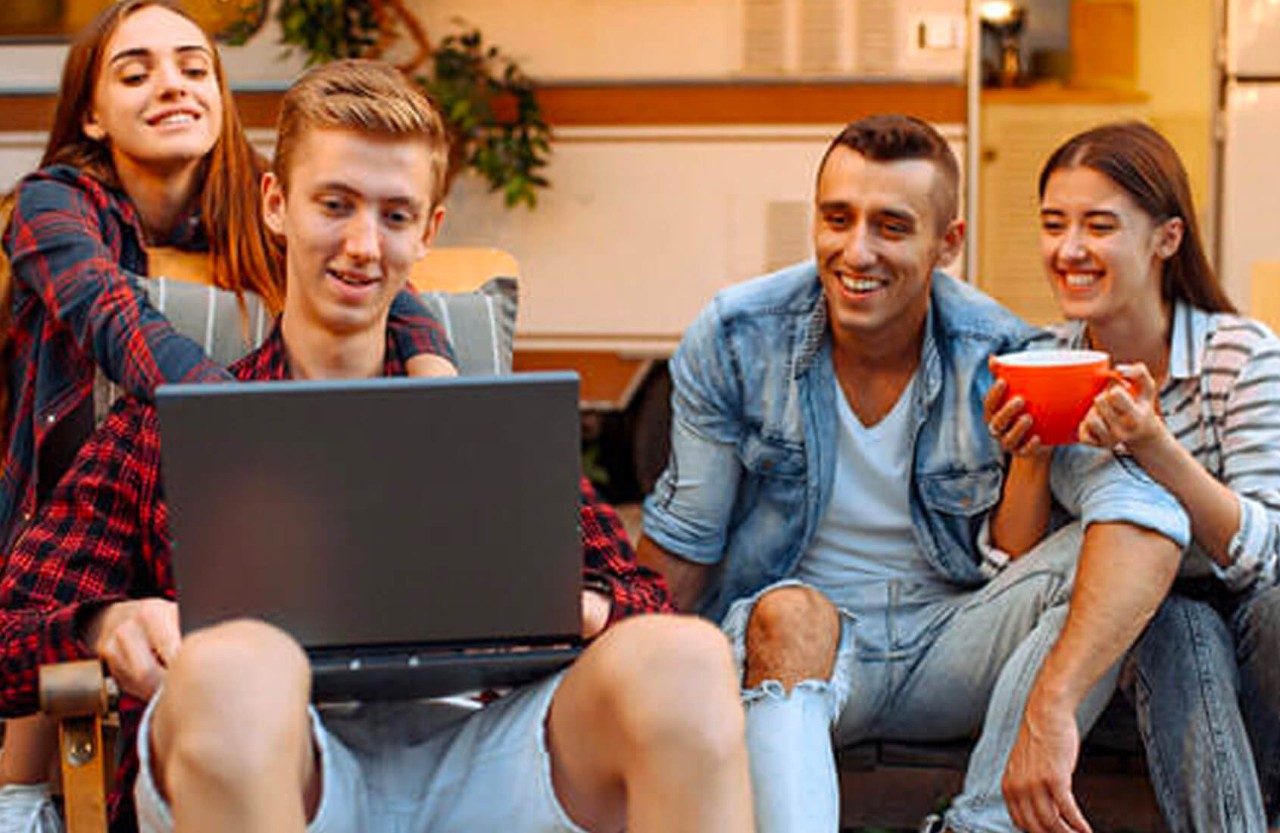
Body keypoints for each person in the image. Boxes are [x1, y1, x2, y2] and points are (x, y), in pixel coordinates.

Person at [0, 58, 753, 833]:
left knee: (685, 657)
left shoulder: (485, 432)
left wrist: (591, 608)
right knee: (235, 665)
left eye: (395, 216)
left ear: (427, 231)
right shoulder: (167, 426)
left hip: (483, 756)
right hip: (276, 760)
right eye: (335, 204)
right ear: (276, 204)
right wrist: (104, 623)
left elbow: (643, 598)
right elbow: (10, 631)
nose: (363, 244)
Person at [636, 113, 1191, 833]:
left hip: (953, 645)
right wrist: (611, 682)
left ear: (947, 243)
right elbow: (682, 549)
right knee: (791, 611)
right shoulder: (741, 333)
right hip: (801, 657)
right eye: (838, 218)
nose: (856, 250)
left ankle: (980, 824)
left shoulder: (1001, 354)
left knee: (1107, 545)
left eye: (892, 226)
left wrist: (1050, 707)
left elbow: (1152, 519)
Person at [0, 3, 454, 827]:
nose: (170, 84)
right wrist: (269, 437)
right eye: (135, 73)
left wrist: (434, 382)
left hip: (234, 521)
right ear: (92, 113)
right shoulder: (52, 203)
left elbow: (381, 276)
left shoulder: (252, 205)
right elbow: (122, 328)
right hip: (63, 498)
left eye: (193, 67)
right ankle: (23, 798)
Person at [986, 120, 1280, 832]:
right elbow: (1013, 571)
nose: (1070, 249)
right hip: (1110, 659)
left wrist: (1155, 445)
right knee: (1172, 618)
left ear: (1167, 238)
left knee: (1222, 611)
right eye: (1054, 225)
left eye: (1099, 225)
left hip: (1254, 651)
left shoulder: (1238, 354)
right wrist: (1029, 456)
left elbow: (1265, 554)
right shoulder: (1037, 357)